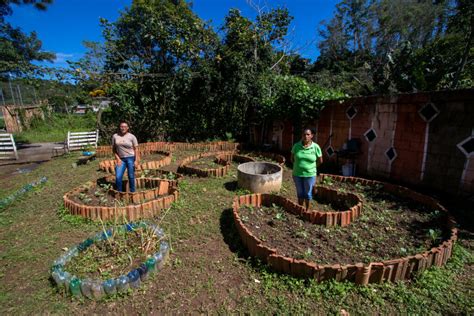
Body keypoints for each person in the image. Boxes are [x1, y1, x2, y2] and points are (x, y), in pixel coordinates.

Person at [291, 128, 323, 211]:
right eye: (304, 134)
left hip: (310, 174)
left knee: (307, 193)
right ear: (302, 135)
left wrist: (312, 167)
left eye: (308, 134)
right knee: (300, 193)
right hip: (297, 174)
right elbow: (292, 158)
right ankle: (300, 209)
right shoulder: (296, 146)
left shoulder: (316, 147)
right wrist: (298, 166)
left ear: (312, 136)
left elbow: (320, 161)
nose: (306, 136)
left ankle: (307, 210)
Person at [112, 121, 140, 192]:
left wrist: (136, 160)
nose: (123, 128)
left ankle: (132, 192)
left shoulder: (132, 136)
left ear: (127, 128)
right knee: (118, 177)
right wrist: (117, 158)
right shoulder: (115, 136)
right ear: (119, 127)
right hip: (121, 159)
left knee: (131, 176)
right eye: (121, 126)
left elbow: (136, 149)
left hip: (131, 158)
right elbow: (114, 149)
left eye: (125, 127)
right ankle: (120, 193)